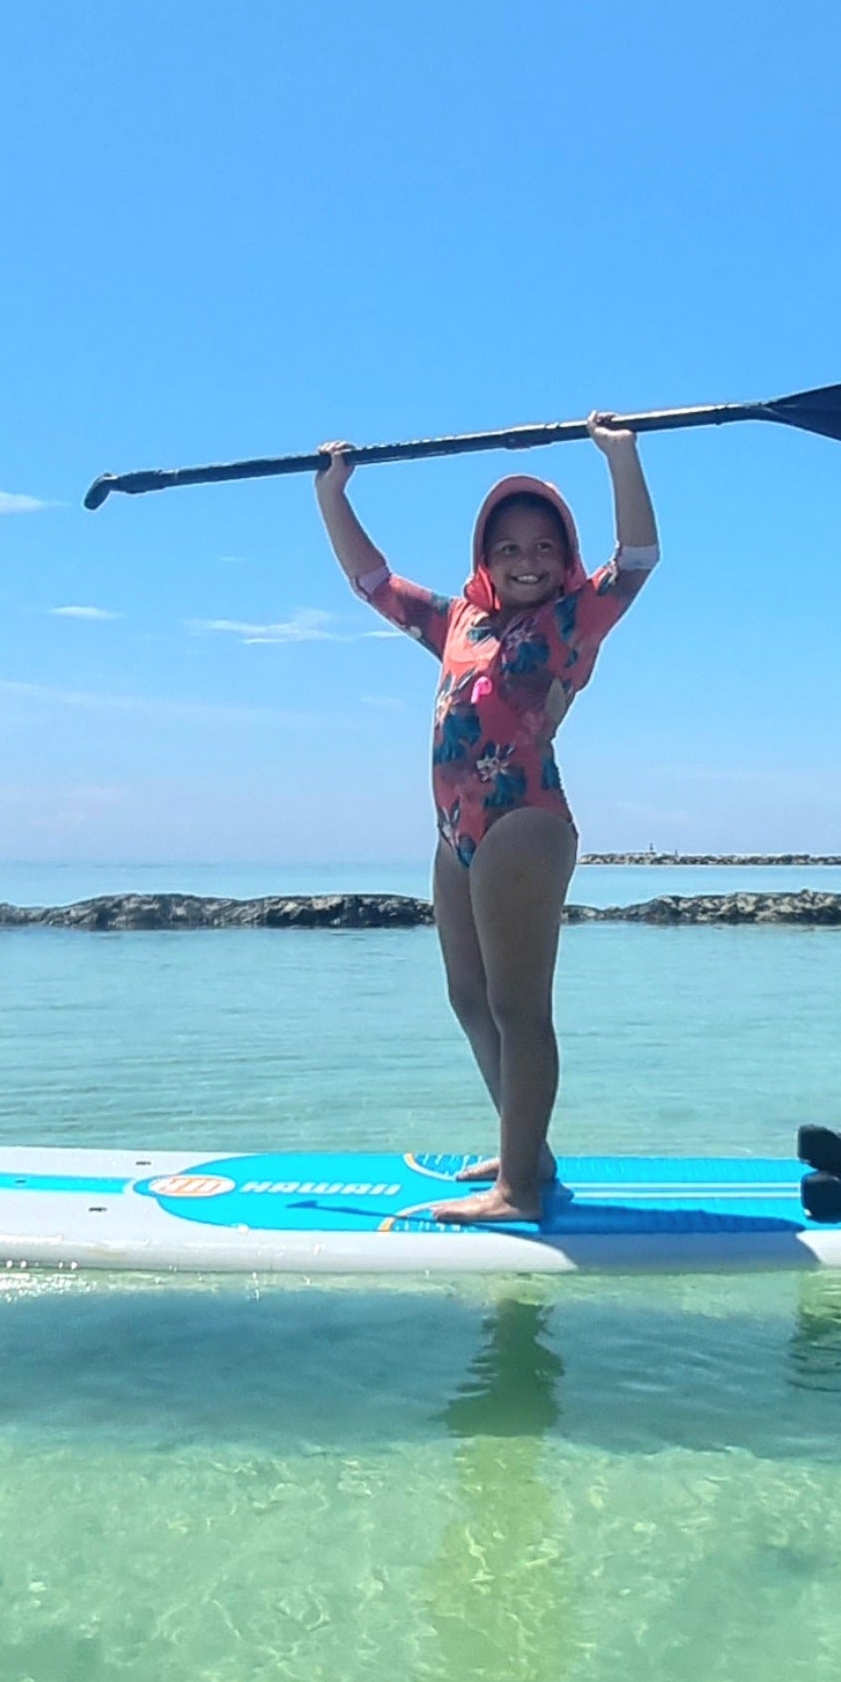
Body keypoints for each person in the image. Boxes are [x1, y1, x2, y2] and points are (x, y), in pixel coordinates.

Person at [315, 416, 658, 1225]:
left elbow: (639, 558)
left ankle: (521, 1192)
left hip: (523, 823)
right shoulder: (459, 624)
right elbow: (373, 583)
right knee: (468, 997)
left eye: (544, 547)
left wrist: (622, 457)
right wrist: (333, 495)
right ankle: (523, 1148)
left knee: (518, 1009)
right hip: (454, 831)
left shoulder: (575, 620)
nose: (527, 560)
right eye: (509, 548)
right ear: (485, 558)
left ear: (565, 556)